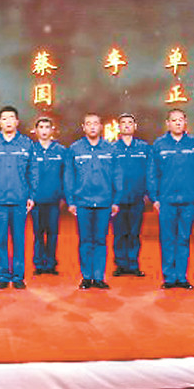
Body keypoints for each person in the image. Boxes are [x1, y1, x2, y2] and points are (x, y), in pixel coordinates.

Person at [146, 109, 194, 290]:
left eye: (181, 120)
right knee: (168, 239)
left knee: (184, 239)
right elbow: (152, 173)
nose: (177, 123)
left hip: (188, 200)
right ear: (167, 123)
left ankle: (182, 277)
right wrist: (155, 198)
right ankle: (169, 277)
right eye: (174, 120)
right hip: (166, 201)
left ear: (185, 122)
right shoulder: (159, 144)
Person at [0, 106, 34, 289]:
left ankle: (18, 276)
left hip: (20, 200)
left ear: (17, 121)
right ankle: (3, 275)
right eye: (4, 118)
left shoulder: (26, 144)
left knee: (19, 239)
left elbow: (32, 172)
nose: (8, 121)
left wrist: (31, 195)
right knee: (0, 239)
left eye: (11, 118)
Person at [66, 113, 118, 290]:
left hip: (104, 202)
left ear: (101, 126)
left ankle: (99, 277)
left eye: (96, 123)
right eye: (89, 124)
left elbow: (117, 175)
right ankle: (87, 277)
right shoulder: (75, 149)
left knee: (101, 240)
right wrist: (71, 201)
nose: (93, 127)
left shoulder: (110, 149)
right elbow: (69, 177)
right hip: (83, 202)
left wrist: (116, 200)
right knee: (85, 240)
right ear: (84, 127)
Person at [111, 113, 150, 277]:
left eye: (130, 122)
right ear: (119, 127)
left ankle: (133, 264)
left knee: (134, 233)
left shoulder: (144, 148)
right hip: (118, 199)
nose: (127, 125)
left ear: (135, 126)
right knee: (119, 233)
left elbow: (150, 171)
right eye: (123, 123)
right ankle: (121, 264)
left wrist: (148, 192)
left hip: (137, 197)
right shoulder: (112, 148)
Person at [29, 116, 68, 275]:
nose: (44, 131)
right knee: (38, 233)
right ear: (36, 130)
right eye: (41, 127)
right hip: (36, 200)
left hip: (54, 200)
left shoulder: (61, 151)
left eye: (47, 127)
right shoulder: (31, 150)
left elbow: (66, 175)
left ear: (52, 130)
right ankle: (39, 264)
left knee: (52, 233)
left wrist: (64, 196)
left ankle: (51, 264)